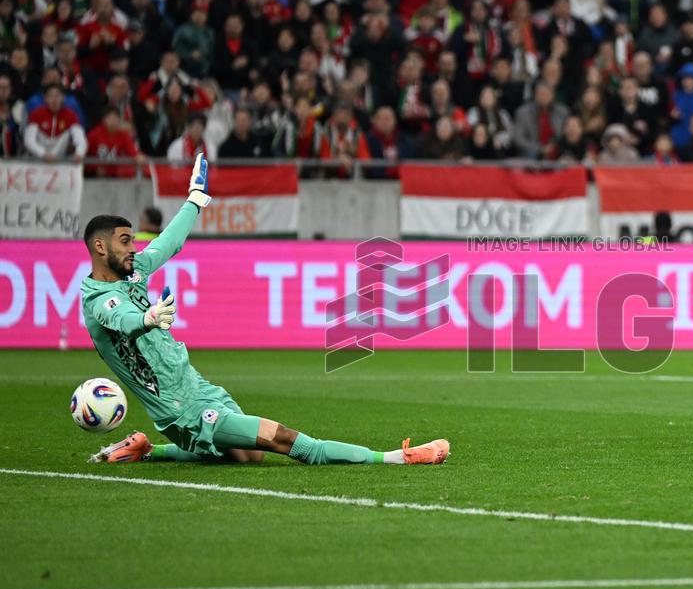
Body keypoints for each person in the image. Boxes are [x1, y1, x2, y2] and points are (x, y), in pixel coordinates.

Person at [85, 154, 450, 466]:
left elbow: (169, 243)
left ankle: (148, 451)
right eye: (125, 242)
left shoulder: (133, 273)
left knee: (250, 455)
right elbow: (122, 319)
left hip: (200, 389)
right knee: (287, 441)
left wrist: (194, 200)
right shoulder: (100, 300)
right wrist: (148, 318)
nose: (134, 248)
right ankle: (394, 457)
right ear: (100, 248)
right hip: (183, 410)